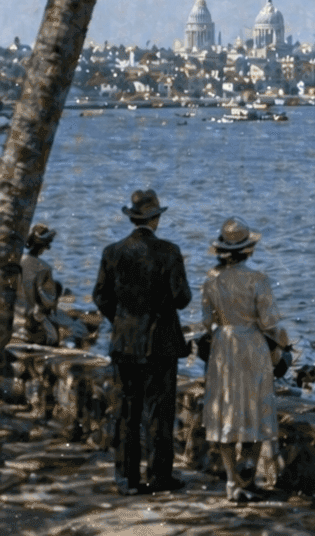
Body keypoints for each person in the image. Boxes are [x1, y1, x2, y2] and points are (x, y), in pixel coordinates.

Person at [93, 188, 192, 496]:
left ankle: (127, 477)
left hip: (125, 342)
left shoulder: (112, 252)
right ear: (156, 219)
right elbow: (182, 298)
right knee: (159, 411)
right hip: (160, 342)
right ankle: (159, 475)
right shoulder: (169, 251)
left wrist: (121, 320)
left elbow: (101, 296)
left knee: (126, 411)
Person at [198, 217, 288, 502]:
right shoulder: (258, 280)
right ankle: (247, 475)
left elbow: (206, 321)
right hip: (251, 343)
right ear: (249, 250)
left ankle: (231, 480)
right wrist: (281, 344)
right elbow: (269, 321)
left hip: (224, 344)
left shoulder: (212, 280)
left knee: (226, 407)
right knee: (254, 404)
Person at [17, 223, 61, 345]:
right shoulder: (44, 268)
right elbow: (46, 302)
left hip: (13, 320)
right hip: (29, 327)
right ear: (45, 245)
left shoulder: (18, 260)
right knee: (55, 334)